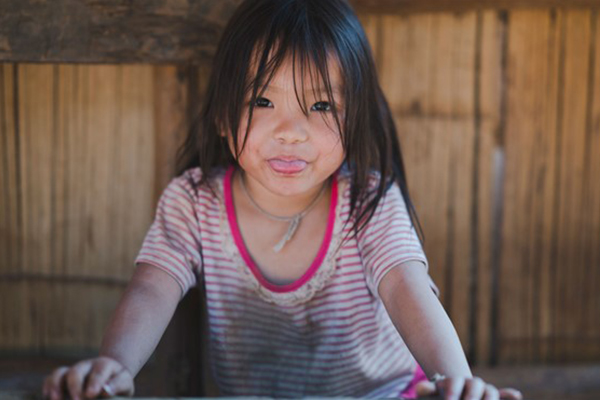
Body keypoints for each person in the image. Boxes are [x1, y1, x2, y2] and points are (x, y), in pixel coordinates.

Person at [43, 0, 524, 399]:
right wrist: (114, 367)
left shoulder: (369, 200)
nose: (291, 132)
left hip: (383, 393)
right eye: (262, 101)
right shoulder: (194, 203)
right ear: (221, 116)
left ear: (354, 120)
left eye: (320, 106)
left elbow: (405, 286)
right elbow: (152, 288)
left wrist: (454, 381)